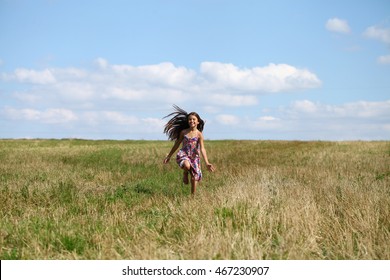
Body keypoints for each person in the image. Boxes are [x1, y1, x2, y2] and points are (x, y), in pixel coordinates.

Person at [163, 105, 215, 195]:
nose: (191, 121)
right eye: (190, 119)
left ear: (198, 122)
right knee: (187, 166)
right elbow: (176, 144)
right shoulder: (184, 132)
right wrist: (169, 156)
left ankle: (192, 197)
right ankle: (185, 173)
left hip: (194, 157)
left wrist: (207, 163)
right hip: (184, 155)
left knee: (194, 177)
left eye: (194, 119)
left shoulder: (199, 134)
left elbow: (202, 148)